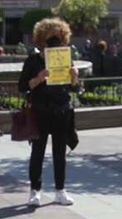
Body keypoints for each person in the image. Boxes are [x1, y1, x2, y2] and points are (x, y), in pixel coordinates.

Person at [19, 17, 79, 206]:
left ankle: (60, 190)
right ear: (41, 39)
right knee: (38, 152)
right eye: (50, 37)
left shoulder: (66, 59)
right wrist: (38, 78)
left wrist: (75, 78)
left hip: (61, 110)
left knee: (59, 153)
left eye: (58, 37)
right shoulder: (33, 60)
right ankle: (35, 191)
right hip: (40, 110)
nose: (54, 41)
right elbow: (23, 86)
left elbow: (75, 89)